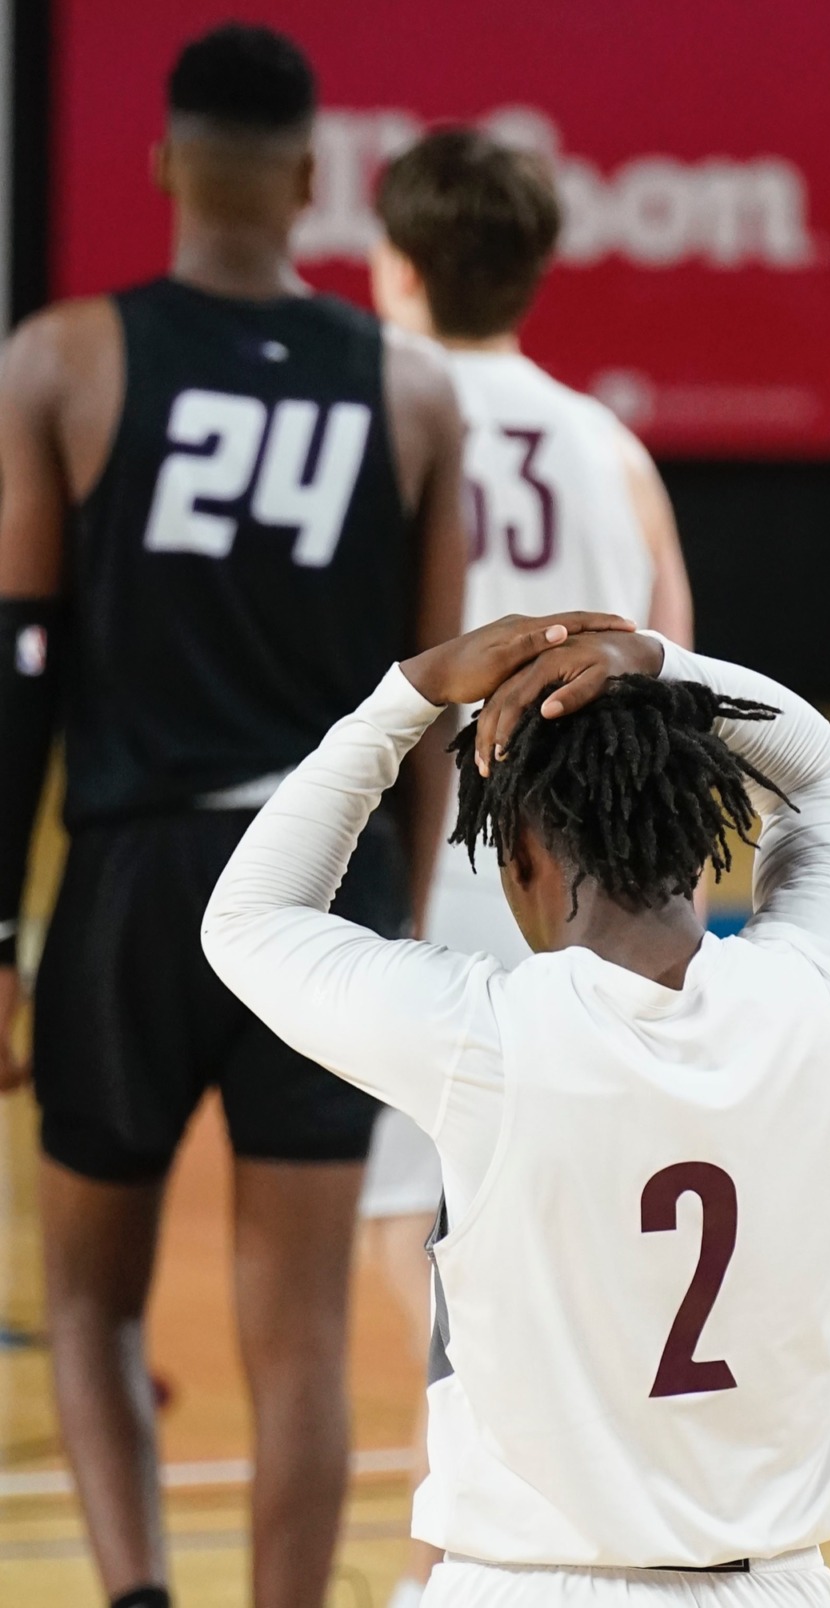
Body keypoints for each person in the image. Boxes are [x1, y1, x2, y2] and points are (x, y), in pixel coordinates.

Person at [0, 24, 465, 1608]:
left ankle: (137, 1598)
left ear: (163, 167)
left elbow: (21, 669)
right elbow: (432, 708)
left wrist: (1, 931)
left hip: (135, 878)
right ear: (315, 178)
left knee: (88, 1303)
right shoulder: (407, 392)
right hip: (322, 892)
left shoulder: (63, 358)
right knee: (305, 1336)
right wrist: (399, 930)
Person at [202, 611, 830, 1608]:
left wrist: (408, 694)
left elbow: (250, 917)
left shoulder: (482, 1038)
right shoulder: (827, 998)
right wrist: (659, 662)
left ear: (522, 853)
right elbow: (824, 777)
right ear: (703, 844)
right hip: (776, 1584)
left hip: (526, 1587)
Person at [363, 129, 694, 1607]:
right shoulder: (608, 446)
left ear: (405, 263)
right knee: (570, 1196)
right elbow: (681, 661)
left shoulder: (379, 410)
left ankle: (474, 1512)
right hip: (592, 889)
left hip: (430, 868)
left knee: (405, 1217)